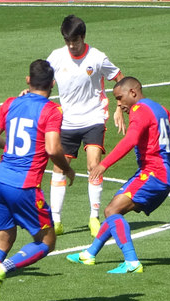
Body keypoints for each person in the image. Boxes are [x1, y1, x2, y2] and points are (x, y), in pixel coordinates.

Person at [0, 59, 76, 301]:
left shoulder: (11, 103)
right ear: (53, 84)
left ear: (28, 81)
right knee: (47, 241)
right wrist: (67, 169)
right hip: (25, 186)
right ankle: (3, 269)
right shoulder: (52, 111)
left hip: (0, 182)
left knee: (2, 241)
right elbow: (52, 149)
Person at [66, 77, 170, 274]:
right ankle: (89, 254)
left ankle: (132, 262)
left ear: (133, 92)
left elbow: (131, 139)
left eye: (120, 98)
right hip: (160, 174)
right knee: (114, 211)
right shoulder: (159, 109)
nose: (119, 104)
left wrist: (104, 164)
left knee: (111, 211)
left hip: (153, 174)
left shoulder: (139, 110)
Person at [46, 14, 125, 237]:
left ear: (83, 37)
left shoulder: (97, 57)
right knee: (60, 167)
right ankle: (57, 220)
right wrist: (31, 91)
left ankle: (94, 217)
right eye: (67, 41)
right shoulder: (56, 57)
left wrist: (119, 106)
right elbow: (43, 79)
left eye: (75, 41)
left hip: (93, 119)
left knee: (93, 166)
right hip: (67, 121)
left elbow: (119, 77)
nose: (71, 45)